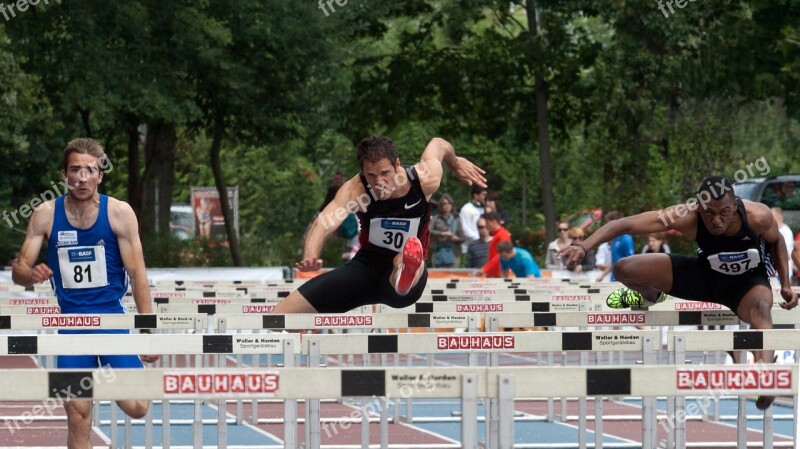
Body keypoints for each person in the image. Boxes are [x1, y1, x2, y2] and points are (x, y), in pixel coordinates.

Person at [559, 176, 797, 409]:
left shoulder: (758, 216)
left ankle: (764, 377)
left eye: (724, 212)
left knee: (761, 308)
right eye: (708, 213)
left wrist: (785, 284)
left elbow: (777, 242)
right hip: (704, 278)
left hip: (746, 286)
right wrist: (583, 246)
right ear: (698, 206)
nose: (715, 220)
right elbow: (626, 224)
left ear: (735, 205)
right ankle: (651, 295)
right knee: (624, 268)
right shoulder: (685, 215)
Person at [11, 138, 158, 447]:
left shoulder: (119, 213)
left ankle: (103, 368)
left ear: (99, 175)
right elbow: (19, 271)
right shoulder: (45, 214)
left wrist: (148, 330)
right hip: (72, 328)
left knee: (138, 407)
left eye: (89, 170)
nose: (81, 178)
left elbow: (138, 274)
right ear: (65, 175)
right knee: (77, 416)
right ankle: (86, 380)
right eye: (75, 170)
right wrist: (31, 274)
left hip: (112, 322)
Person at [272, 136, 485, 313]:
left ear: (398, 165)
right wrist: (310, 254)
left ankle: (405, 271)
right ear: (363, 172)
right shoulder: (356, 190)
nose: (379, 181)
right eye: (371, 175)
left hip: (407, 280)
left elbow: (438, 144)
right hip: (364, 270)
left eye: (385, 173)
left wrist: (455, 162)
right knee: (280, 316)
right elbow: (324, 223)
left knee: (406, 257)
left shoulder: (424, 179)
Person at [429, 193, 464, 268]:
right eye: (445, 203)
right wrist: (442, 233)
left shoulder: (456, 219)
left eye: (449, 203)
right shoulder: (436, 218)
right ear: (441, 205)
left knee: (453, 276)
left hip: (454, 252)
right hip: (438, 251)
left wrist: (456, 238)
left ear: (452, 205)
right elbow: (429, 230)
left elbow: (463, 237)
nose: (447, 205)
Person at [480, 211, 511, 277]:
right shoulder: (499, 234)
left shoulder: (502, 234)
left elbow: (502, 255)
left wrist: (485, 269)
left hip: (499, 274)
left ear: (494, 222)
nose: (486, 226)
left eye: (487, 223)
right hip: (496, 274)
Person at [459, 185, 487, 251]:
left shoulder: (483, 209)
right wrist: (478, 238)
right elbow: (464, 228)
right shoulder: (467, 209)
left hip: (482, 244)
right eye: (483, 195)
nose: (485, 197)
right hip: (469, 246)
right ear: (475, 195)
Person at [771, 207, 794, 281]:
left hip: (781, 274)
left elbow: (787, 254)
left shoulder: (785, 231)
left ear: (778, 217)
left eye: (771, 216)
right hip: (774, 272)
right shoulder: (775, 230)